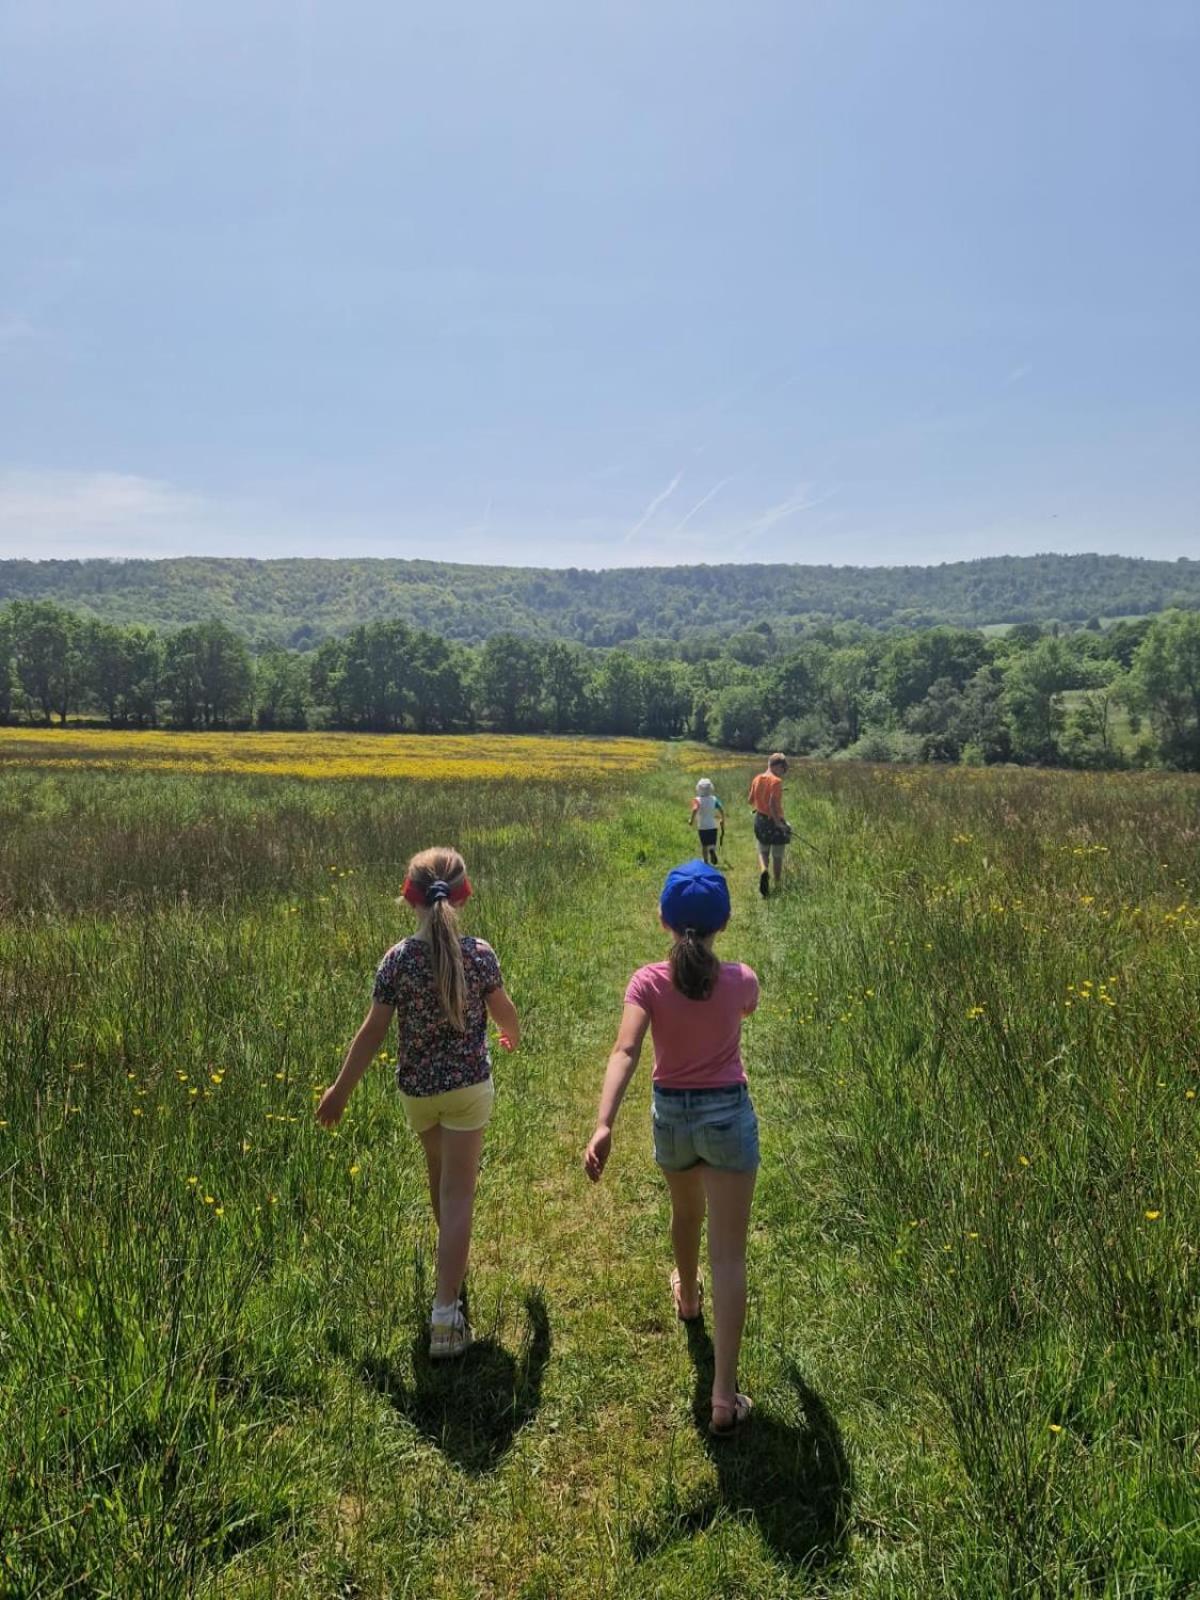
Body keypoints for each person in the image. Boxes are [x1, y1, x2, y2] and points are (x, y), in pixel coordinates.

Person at [316, 847, 520, 1360]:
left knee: (441, 1184)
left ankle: (451, 1266)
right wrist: (511, 1033)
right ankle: (446, 1318)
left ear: (409, 897)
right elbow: (504, 1011)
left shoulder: (398, 959)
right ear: (464, 894)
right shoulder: (479, 953)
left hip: (419, 1095)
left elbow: (372, 1033)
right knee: (457, 1197)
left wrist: (339, 1091)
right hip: (468, 1089)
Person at [584, 861, 760, 1436]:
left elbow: (626, 1050)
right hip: (728, 1115)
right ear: (724, 922)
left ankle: (687, 1298)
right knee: (729, 1254)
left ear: (663, 919)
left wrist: (604, 1122)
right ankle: (724, 1397)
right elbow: (743, 1006)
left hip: (673, 1118)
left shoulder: (647, 982)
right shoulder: (741, 979)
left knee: (685, 1214)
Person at [747, 751, 790, 898]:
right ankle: (777, 884)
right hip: (774, 821)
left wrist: (761, 802)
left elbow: (750, 800)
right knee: (777, 854)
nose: (783, 773)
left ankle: (764, 870)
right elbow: (772, 804)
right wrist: (779, 824)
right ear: (777, 766)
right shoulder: (776, 781)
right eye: (783, 769)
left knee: (763, 850)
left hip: (760, 819)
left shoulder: (757, 778)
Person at [689, 777, 725, 867]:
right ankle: (712, 850)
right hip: (713, 826)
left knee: (704, 845)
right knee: (712, 842)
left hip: (702, 827)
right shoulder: (714, 799)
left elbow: (694, 810)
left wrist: (691, 820)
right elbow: (721, 809)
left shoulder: (697, 800)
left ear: (699, 789)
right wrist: (722, 819)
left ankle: (706, 861)